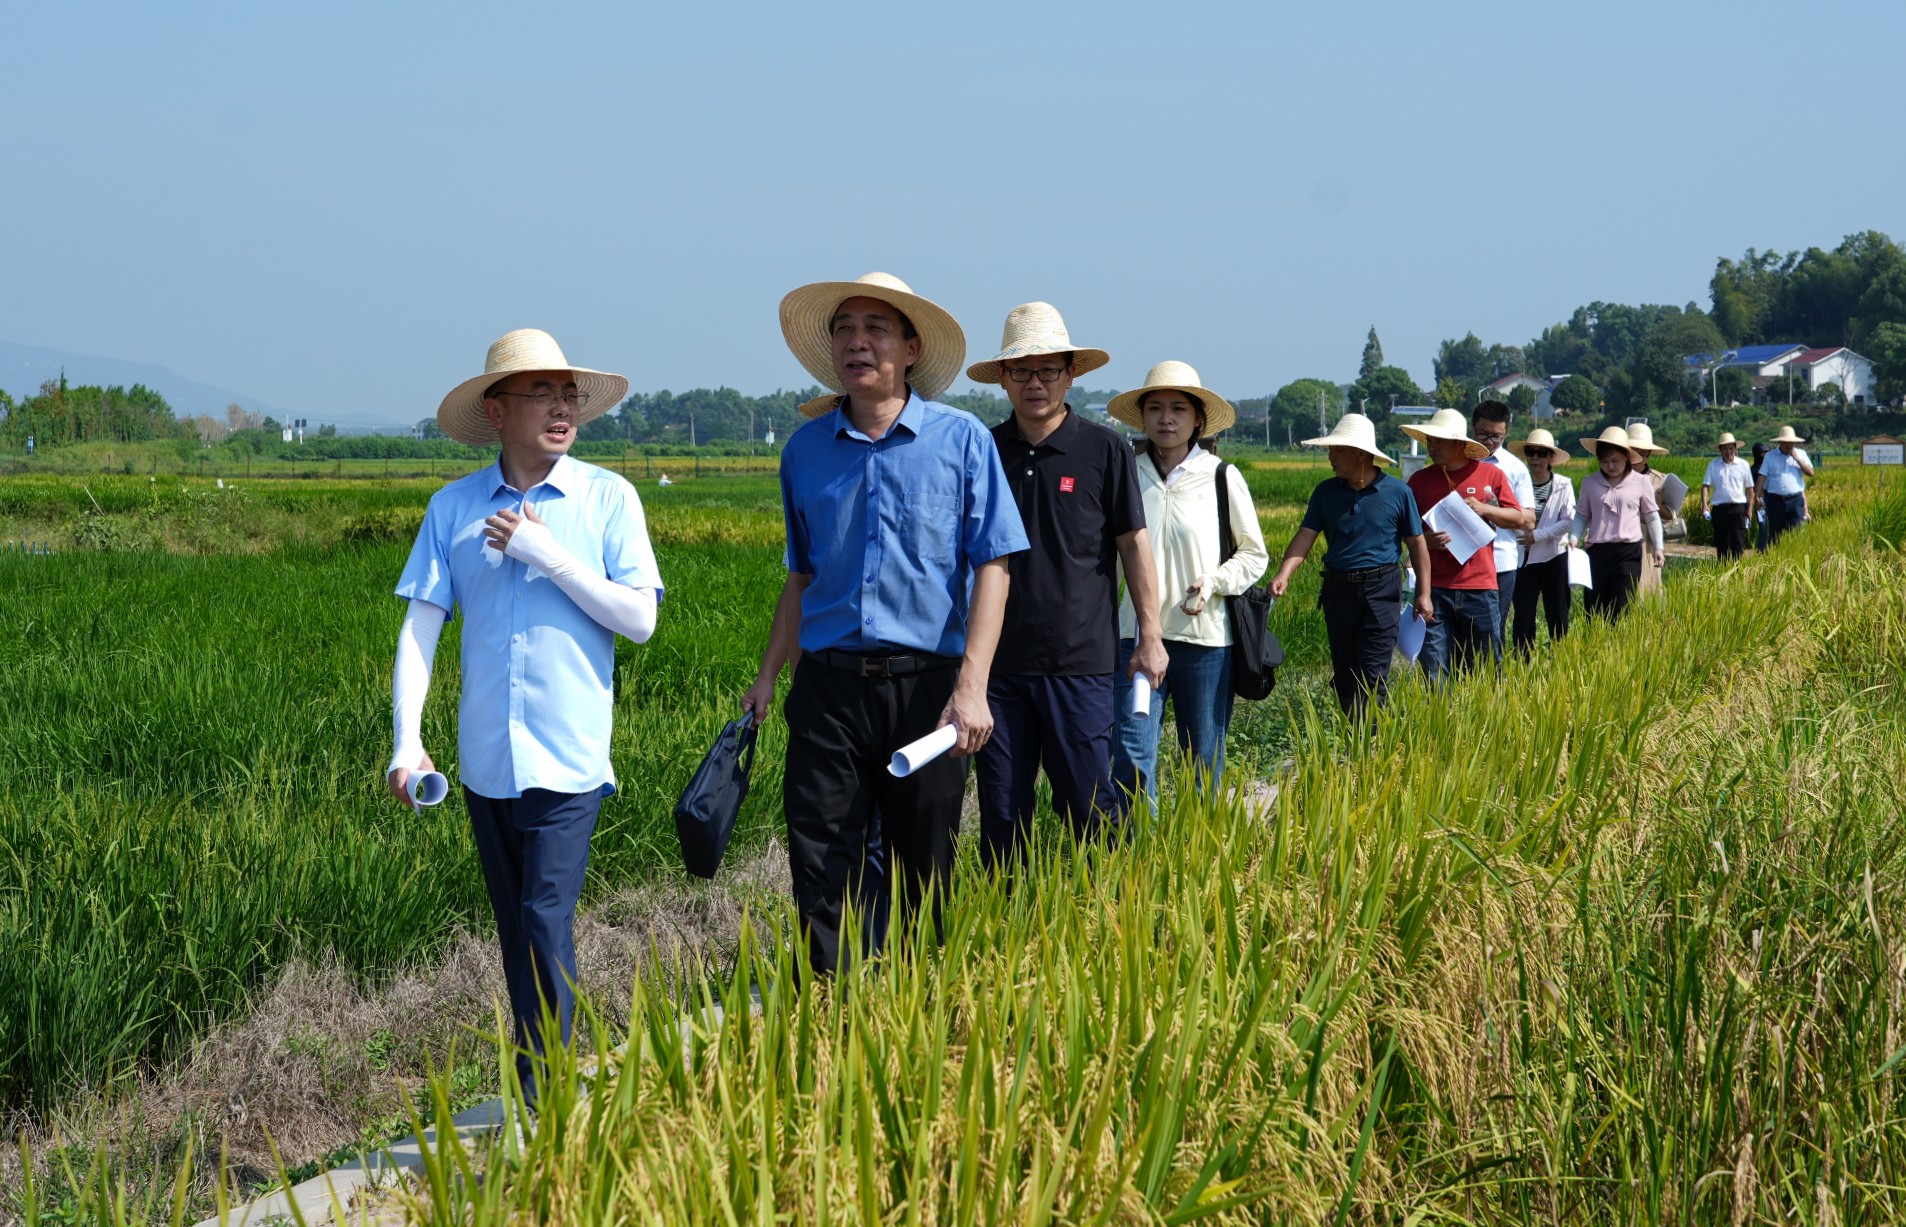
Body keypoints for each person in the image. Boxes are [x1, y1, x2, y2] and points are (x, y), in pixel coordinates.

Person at [388, 329, 663, 1109]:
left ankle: (548, 1108)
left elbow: (638, 618)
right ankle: (536, 1085)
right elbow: (419, 629)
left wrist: (549, 555)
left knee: (545, 919)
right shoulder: (454, 508)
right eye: (542, 393)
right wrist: (407, 741)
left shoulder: (608, 499)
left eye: (569, 393)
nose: (561, 407)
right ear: (496, 409)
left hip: (570, 758)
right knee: (516, 932)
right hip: (486, 763)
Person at [741, 273, 1027, 976]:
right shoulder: (804, 452)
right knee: (819, 856)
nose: (857, 341)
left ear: (909, 347)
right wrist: (768, 674)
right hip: (830, 689)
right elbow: (800, 576)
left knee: (923, 866)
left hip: (925, 689)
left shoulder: (959, 441)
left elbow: (995, 565)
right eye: (844, 328)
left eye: (875, 328)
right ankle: (833, 1010)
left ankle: (918, 1020)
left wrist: (972, 688)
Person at [965, 303, 1168, 871]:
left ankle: (1104, 912)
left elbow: (1133, 545)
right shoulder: (984, 449)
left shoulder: (1104, 449)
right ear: (1002, 377)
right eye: (1021, 371)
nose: (1035, 384)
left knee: (1087, 804)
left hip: (1080, 662)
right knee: (1002, 813)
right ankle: (1003, 925)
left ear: (1071, 375)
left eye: (1048, 370)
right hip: (998, 670)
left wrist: (1150, 635)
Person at [1107, 362, 1268, 804]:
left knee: (1203, 759)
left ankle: (1197, 860)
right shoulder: (1124, 473)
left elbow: (1254, 554)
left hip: (1205, 641)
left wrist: (1215, 581)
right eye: (1155, 408)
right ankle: (1138, 859)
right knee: (1132, 755)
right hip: (1134, 639)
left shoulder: (1221, 477)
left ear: (1198, 419)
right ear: (1141, 417)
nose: (1166, 418)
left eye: (1178, 408)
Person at [1268, 413, 1432, 718]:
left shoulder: (1398, 493)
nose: (1331, 457)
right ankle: (1353, 734)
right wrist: (1283, 574)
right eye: (1330, 450)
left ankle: (1369, 744)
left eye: (1337, 450)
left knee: (1372, 672)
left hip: (1381, 589)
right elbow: (1305, 536)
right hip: (1338, 591)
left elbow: (1417, 545)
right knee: (1345, 674)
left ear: (1360, 453)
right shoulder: (1325, 493)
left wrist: (1424, 593)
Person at [1403, 408, 1524, 680]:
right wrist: (1426, 542)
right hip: (1433, 589)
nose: (1432, 447)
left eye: (1440, 442)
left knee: (1487, 669)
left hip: (1479, 587)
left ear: (1460, 443)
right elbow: (1405, 531)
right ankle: (1442, 721)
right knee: (1435, 670)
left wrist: (1485, 509)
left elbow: (1518, 518)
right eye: (1430, 441)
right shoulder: (1419, 481)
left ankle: (1487, 721)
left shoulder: (1491, 476)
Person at [1572, 426, 1662, 622]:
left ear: (1627, 457)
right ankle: (1595, 647)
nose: (1610, 466)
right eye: (1605, 461)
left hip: (1628, 552)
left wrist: (1659, 548)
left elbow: (1653, 517)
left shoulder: (1641, 482)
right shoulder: (1589, 483)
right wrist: (1573, 538)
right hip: (1597, 552)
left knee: (1621, 607)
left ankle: (1618, 648)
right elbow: (1581, 515)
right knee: (1594, 608)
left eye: (1615, 461)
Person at [1507, 428, 1575, 654]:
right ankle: (1521, 664)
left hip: (1553, 556)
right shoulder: (1516, 482)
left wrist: (1537, 535)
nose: (1535, 457)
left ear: (1550, 457)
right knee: (1523, 614)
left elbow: (1568, 521)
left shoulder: (1563, 485)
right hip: (1522, 559)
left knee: (1557, 612)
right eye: (1531, 452)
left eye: (1541, 453)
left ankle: (1561, 660)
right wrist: (1521, 536)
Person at [1471, 401, 1535, 634]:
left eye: (1496, 437)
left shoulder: (1514, 469)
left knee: (1491, 635)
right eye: (1483, 435)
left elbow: (1528, 521)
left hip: (1500, 562)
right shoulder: (1459, 461)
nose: (1489, 442)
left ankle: (1490, 673)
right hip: (1460, 562)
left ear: (1506, 433)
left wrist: (1492, 510)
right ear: (1472, 428)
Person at [1623, 422, 1675, 596]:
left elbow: (1670, 516)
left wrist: (1658, 505)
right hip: (1619, 542)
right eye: (1634, 452)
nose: (1638, 458)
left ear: (1649, 454)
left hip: (1647, 544)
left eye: (1643, 453)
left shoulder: (1658, 480)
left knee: (1646, 589)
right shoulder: (1615, 477)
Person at [1755, 425, 1814, 548]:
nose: (1790, 445)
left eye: (1792, 442)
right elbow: (1762, 476)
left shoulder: (1801, 454)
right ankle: (1776, 560)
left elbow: (1810, 473)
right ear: (1780, 442)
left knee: (1797, 530)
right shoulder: (1770, 456)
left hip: (1795, 500)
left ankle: (1795, 557)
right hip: (1775, 500)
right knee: (1776, 533)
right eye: (1787, 442)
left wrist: (1797, 459)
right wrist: (1757, 496)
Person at [1701, 432, 1755, 561]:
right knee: (1721, 543)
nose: (1728, 451)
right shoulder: (1713, 465)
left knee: (1738, 542)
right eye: (1725, 448)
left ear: (1735, 449)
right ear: (1720, 450)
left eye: (1731, 448)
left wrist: (1750, 508)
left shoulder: (1743, 465)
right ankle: (1722, 571)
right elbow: (1705, 486)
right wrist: (1704, 505)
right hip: (1720, 509)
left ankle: (1737, 572)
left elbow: (1749, 488)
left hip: (1738, 508)